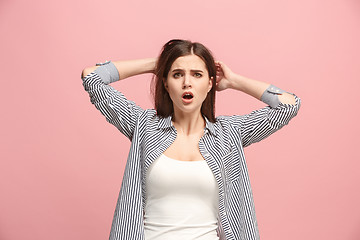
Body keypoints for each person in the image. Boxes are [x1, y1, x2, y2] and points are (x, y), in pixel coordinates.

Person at [81, 39, 301, 240]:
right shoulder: (144, 125)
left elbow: (288, 105)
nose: (187, 82)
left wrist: (234, 81)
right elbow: (92, 76)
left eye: (197, 74)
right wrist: (157, 64)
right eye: (177, 74)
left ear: (209, 84)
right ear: (166, 84)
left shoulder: (229, 133)